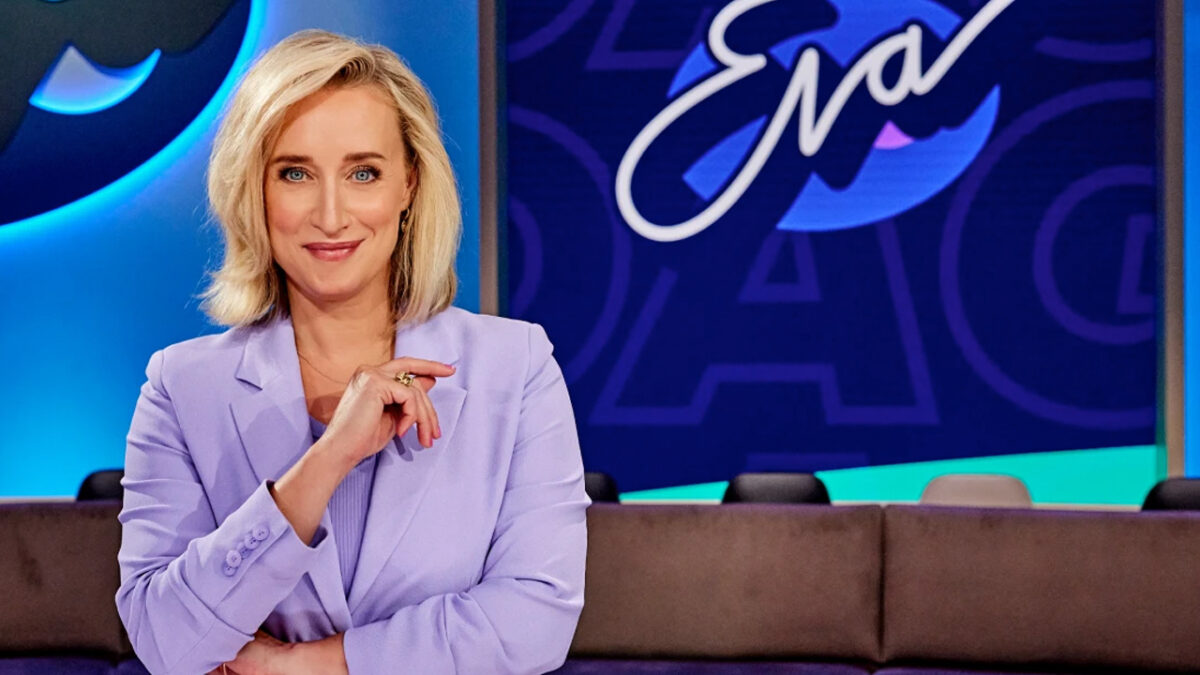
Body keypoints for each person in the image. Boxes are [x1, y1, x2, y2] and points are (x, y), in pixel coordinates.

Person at [114, 29, 590, 675]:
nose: (332, 215)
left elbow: (535, 621)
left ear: (408, 185)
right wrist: (328, 457)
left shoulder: (516, 365)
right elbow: (164, 640)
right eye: (295, 173)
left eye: (363, 173)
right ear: (254, 189)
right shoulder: (181, 386)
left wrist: (302, 666)